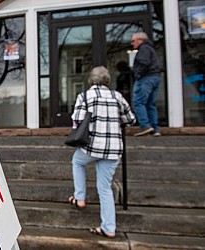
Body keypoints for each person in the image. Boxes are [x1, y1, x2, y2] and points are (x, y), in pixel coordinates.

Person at [68, 66, 135, 239]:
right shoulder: (117, 96)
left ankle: (80, 197)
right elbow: (130, 119)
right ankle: (109, 228)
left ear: (91, 80)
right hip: (113, 149)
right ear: (107, 80)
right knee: (105, 188)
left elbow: (76, 119)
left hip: (92, 146)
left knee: (77, 162)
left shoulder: (85, 96)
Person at [131, 32, 162, 137]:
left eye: (133, 41)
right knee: (150, 104)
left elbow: (144, 62)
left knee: (139, 102)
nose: (132, 43)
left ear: (140, 40)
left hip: (146, 78)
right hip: (155, 77)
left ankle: (145, 125)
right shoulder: (150, 49)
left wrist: (137, 74)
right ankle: (155, 128)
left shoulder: (143, 49)